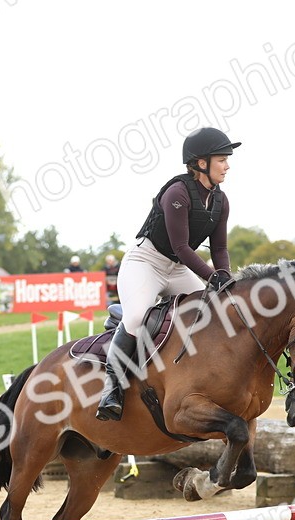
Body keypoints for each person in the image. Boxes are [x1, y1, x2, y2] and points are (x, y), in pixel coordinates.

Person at [96, 126, 239, 422]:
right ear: (201, 163)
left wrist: (224, 276)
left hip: (177, 268)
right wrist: (212, 278)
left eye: (227, 159)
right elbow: (181, 245)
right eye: (222, 159)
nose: (227, 165)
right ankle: (112, 388)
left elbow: (220, 247)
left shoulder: (221, 201)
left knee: (213, 311)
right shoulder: (177, 192)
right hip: (145, 262)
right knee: (136, 317)